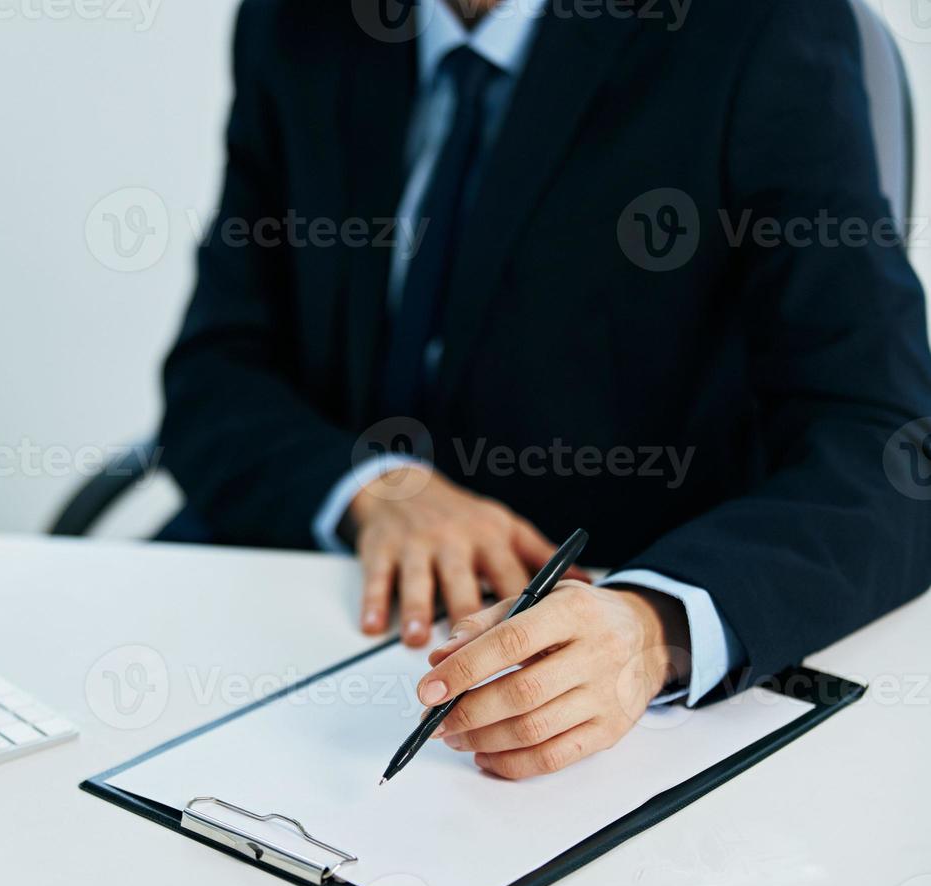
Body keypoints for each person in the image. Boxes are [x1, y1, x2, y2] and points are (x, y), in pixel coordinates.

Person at [156, 0, 931, 778]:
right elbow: (216, 367)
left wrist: (656, 625)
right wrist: (370, 487)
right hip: (306, 606)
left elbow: (889, 445)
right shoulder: (297, 21)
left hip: (570, 669)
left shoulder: (761, 27)